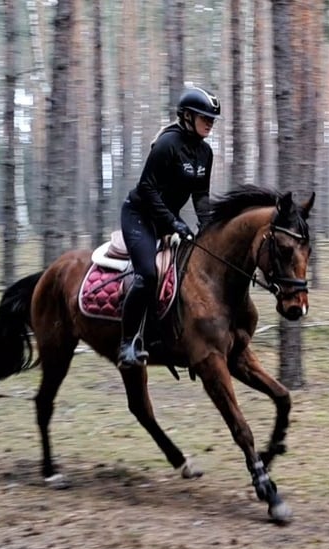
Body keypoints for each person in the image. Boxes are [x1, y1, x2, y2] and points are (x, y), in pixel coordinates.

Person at [117, 86, 221, 370]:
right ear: (187, 116)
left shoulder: (205, 153)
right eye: (204, 117)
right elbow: (147, 190)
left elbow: (200, 196)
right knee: (148, 275)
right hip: (140, 215)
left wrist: (209, 227)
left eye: (212, 119)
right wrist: (174, 222)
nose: (210, 123)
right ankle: (128, 344)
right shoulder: (167, 144)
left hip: (166, 220)